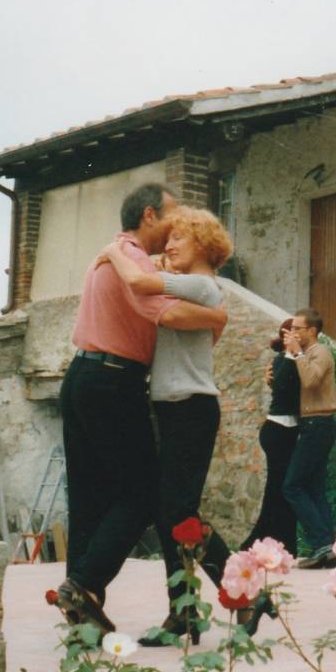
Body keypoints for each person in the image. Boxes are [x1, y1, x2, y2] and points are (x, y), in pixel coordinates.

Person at [53, 184, 227, 635]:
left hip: (83, 376)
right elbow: (169, 314)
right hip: (114, 380)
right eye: (171, 219)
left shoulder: (119, 253)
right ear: (150, 215)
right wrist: (217, 317)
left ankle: (84, 610)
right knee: (145, 494)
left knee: (92, 496)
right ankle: (84, 587)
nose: (173, 232)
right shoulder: (132, 258)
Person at [97, 205, 243, 644]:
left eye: (179, 238)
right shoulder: (190, 288)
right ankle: (183, 614)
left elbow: (140, 281)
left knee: (180, 514)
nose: (170, 245)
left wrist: (113, 253)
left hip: (192, 408)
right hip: (172, 407)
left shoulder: (201, 284)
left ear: (202, 243)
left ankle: (243, 595)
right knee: (169, 517)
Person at [282, 308, 336, 570]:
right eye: (291, 328)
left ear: (312, 331)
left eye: (297, 329)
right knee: (315, 488)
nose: (293, 332)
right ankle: (328, 549)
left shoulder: (320, 352)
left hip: (319, 423)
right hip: (313, 423)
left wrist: (296, 352)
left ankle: (321, 544)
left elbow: (311, 381)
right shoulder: (307, 354)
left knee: (292, 486)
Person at [241, 318, 301, 556]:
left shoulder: (296, 360)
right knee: (279, 488)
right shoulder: (281, 361)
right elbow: (284, 385)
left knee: (282, 488)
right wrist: (290, 353)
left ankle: (280, 543)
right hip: (278, 430)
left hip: (287, 430)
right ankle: (265, 542)